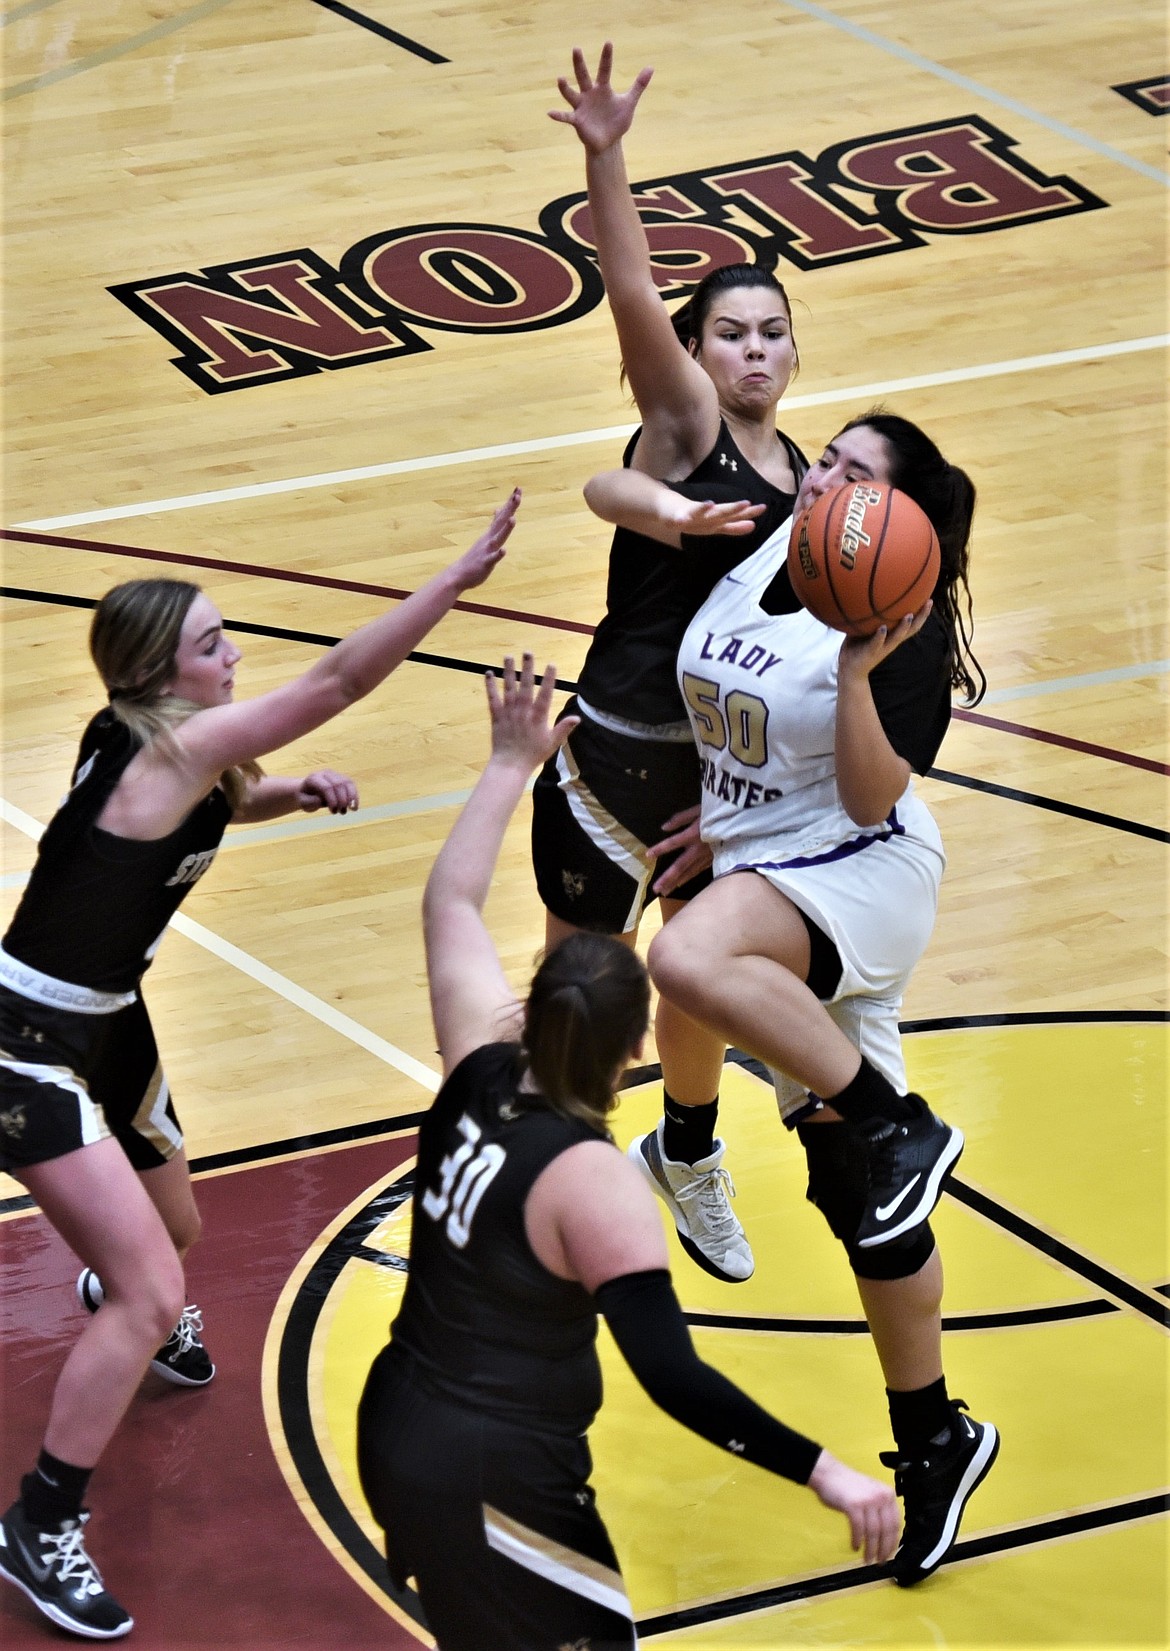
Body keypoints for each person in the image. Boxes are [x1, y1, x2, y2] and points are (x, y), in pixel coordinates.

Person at [0, 493, 519, 1640]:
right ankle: (39, 1524)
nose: (235, 655)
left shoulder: (147, 742)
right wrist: (449, 584)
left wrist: (295, 790)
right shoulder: (177, 741)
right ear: (160, 676)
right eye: (212, 645)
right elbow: (336, 682)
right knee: (155, 1289)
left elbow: (214, 803)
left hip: (105, 1021)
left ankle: (117, 1290)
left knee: (172, 1235)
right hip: (24, 1046)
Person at [356, 654, 900, 1651]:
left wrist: (507, 764)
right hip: (495, 1470)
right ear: (639, 1049)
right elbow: (671, 1374)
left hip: (397, 1422)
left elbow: (450, 906)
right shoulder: (593, 1182)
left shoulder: (478, 1058)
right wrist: (826, 1469)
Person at [584, 411, 998, 1587]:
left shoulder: (896, 611)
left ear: (897, 510)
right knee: (866, 1205)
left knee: (685, 962)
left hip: (860, 871)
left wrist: (864, 668)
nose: (829, 479)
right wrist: (717, 810)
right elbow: (614, 495)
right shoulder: (778, 538)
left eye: (856, 475)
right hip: (769, 867)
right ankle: (936, 1442)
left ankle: (880, 1119)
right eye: (831, 460)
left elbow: (870, 800)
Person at [533, 43, 810, 1287]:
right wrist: (606, 156)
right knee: (581, 1004)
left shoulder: (816, 486)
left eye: (771, 334)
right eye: (730, 333)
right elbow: (634, 293)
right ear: (698, 354)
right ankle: (549, 1190)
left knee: (692, 994)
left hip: (713, 790)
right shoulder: (687, 425)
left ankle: (686, 1153)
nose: (752, 351)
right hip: (608, 766)